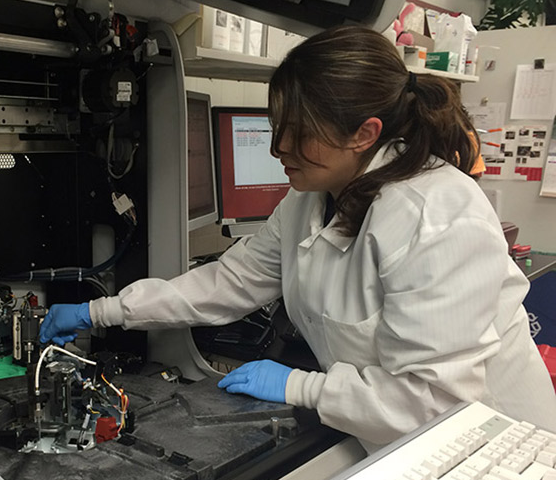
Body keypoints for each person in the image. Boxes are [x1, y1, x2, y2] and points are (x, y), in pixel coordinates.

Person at [39, 25, 556, 451]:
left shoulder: (438, 216)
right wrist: (102, 312)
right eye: (275, 126)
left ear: (365, 133)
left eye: (299, 132)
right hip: (401, 448)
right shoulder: (314, 195)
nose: (279, 147)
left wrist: (301, 385)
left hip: (496, 458)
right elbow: (230, 281)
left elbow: (432, 402)